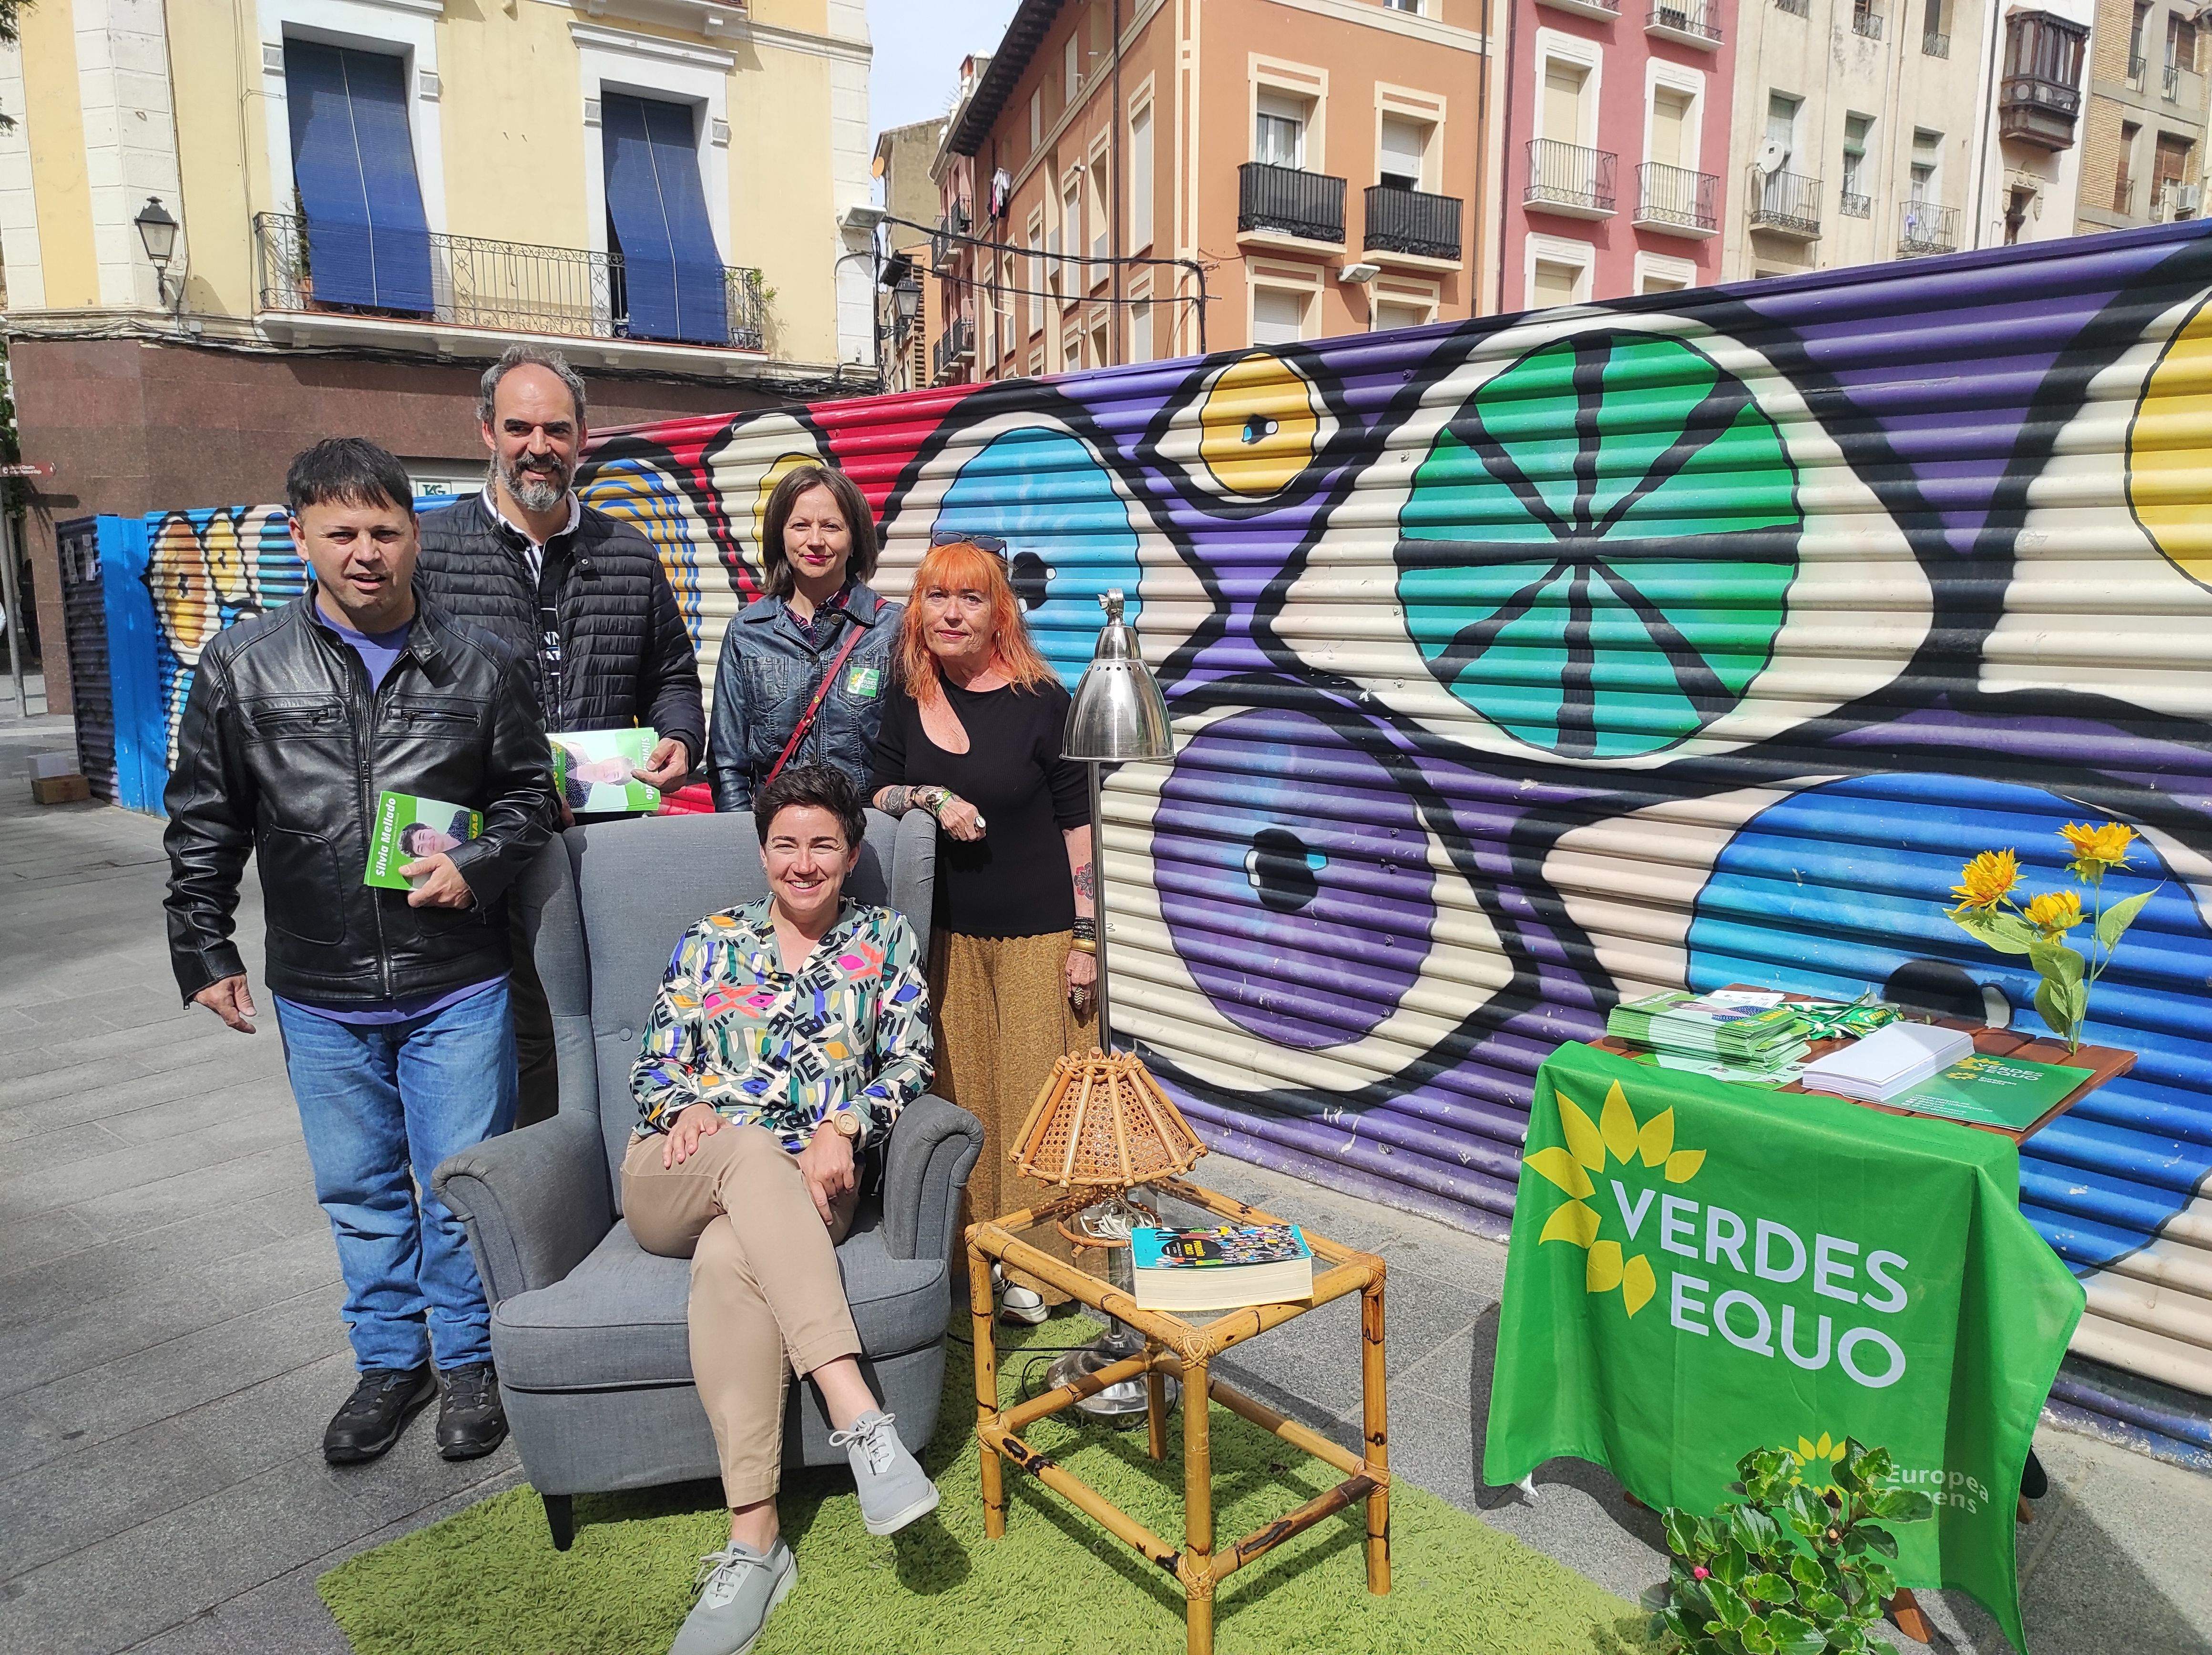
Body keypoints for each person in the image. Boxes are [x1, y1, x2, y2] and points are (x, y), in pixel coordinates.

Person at [163, 438, 556, 1467]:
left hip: (455, 981)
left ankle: (467, 1360)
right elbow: (205, 818)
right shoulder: (243, 665)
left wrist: (477, 858)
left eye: (385, 530)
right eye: (342, 532)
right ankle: (391, 1361)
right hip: (319, 987)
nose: (366, 552)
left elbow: (528, 798)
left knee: (457, 1180)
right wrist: (201, 945)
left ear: (416, 536)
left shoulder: (480, 663)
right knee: (359, 1188)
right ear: (301, 537)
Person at [626, 766, 938, 1655]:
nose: (803, 863)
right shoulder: (710, 939)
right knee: (750, 1149)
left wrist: (848, 1122)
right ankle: (859, 1415)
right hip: (676, 1170)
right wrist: (680, 1104)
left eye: (823, 845)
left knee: (733, 1257)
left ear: (853, 852)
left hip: (810, 1188)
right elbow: (653, 1064)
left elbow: (910, 1063)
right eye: (785, 844)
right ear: (763, 850)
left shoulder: (883, 941)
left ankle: (755, 1542)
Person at [417, 343, 706, 1126]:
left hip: (605, 842)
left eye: (556, 429)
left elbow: (672, 677)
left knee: (620, 1018)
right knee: (516, 1032)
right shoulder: (431, 554)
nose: (537, 446)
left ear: (583, 438)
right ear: (486, 431)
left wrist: (680, 736)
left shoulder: (630, 554)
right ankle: (539, 1190)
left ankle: (623, 1170)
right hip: (484, 844)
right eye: (519, 427)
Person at [867, 538, 1097, 1326]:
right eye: (937, 597)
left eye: (970, 598)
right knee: (964, 1104)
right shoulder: (905, 695)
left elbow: (1080, 825)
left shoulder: (1042, 700)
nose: (952, 613)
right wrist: (928, 795)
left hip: (1040, 938)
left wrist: (1088, 937)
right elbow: (879, 789)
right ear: (917, 611)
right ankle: (984, 1260)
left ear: (999, 611)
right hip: (949, 939)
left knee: (1040, 1108)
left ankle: (1047, 1267)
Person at [707, 464, 900, 814]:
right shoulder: (747, 632)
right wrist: (745, 840)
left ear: (854, 537)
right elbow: (727, 762)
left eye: (831, 526)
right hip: (778, 842)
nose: (815, 541)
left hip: (867, 837)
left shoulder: (892, 630)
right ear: (780, 536)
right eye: (800, 526)